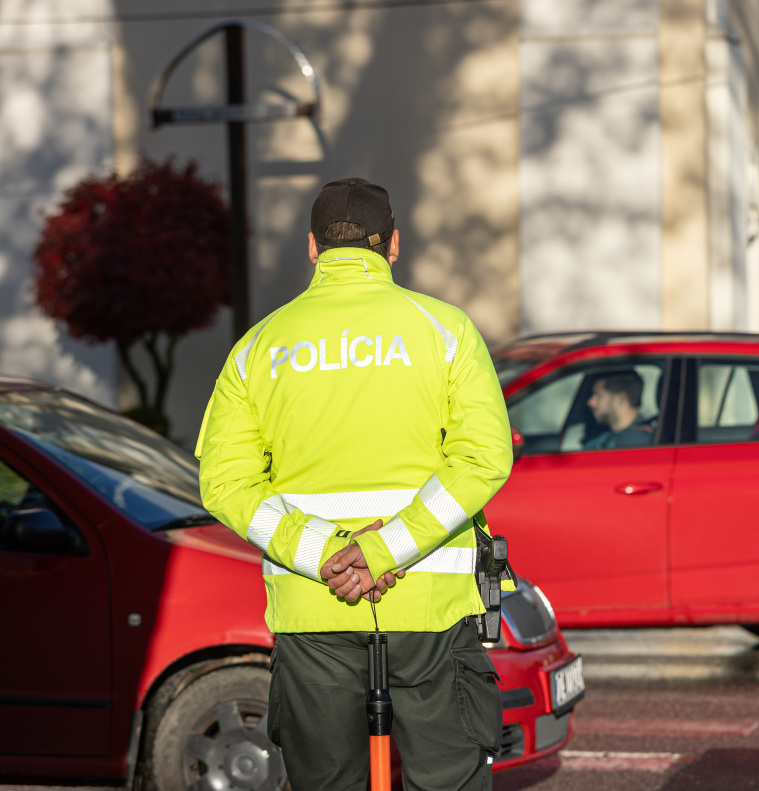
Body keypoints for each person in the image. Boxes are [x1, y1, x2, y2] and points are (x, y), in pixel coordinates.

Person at [196, 177, 513, 791]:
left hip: (314, 606)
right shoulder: (445, 330)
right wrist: (383, 549)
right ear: (393, 245)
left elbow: (225, 482)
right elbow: (483, 459)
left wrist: (326, 552)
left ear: (312, 249)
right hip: (430, 603)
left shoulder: (257, 347)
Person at [582, 369, 655, 449]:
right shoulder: (604, 438)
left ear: (621, 399)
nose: (591, 402)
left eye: (599, 396)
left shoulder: (640, 442)